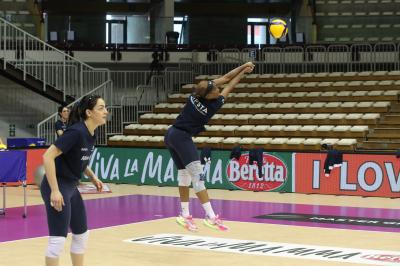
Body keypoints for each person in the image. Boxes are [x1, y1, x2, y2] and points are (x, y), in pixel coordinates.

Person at [164, 61, 255, 232]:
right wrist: (244, 71)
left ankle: (184, 214)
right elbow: (231, 83)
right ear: (209, 96)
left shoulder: (195, 95)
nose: (218, 90)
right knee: (198, 178)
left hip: (170, 134)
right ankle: (211, 217)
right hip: (182, 137)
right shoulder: (212, 106)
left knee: (184, 175)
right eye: (215, 90)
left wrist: (244, 67)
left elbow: (227, 77)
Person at [40, 95, 108, 266]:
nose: (105, 111)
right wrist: (55, 190)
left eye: (105, 107)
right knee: (57, 240)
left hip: (71, 186)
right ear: (89, 112)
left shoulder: (91, 133)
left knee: (81, 234)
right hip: (57, 185)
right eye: (101, 108)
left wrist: (93, 177)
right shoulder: (76, 132)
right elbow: (47, 157)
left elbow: (78, 159)